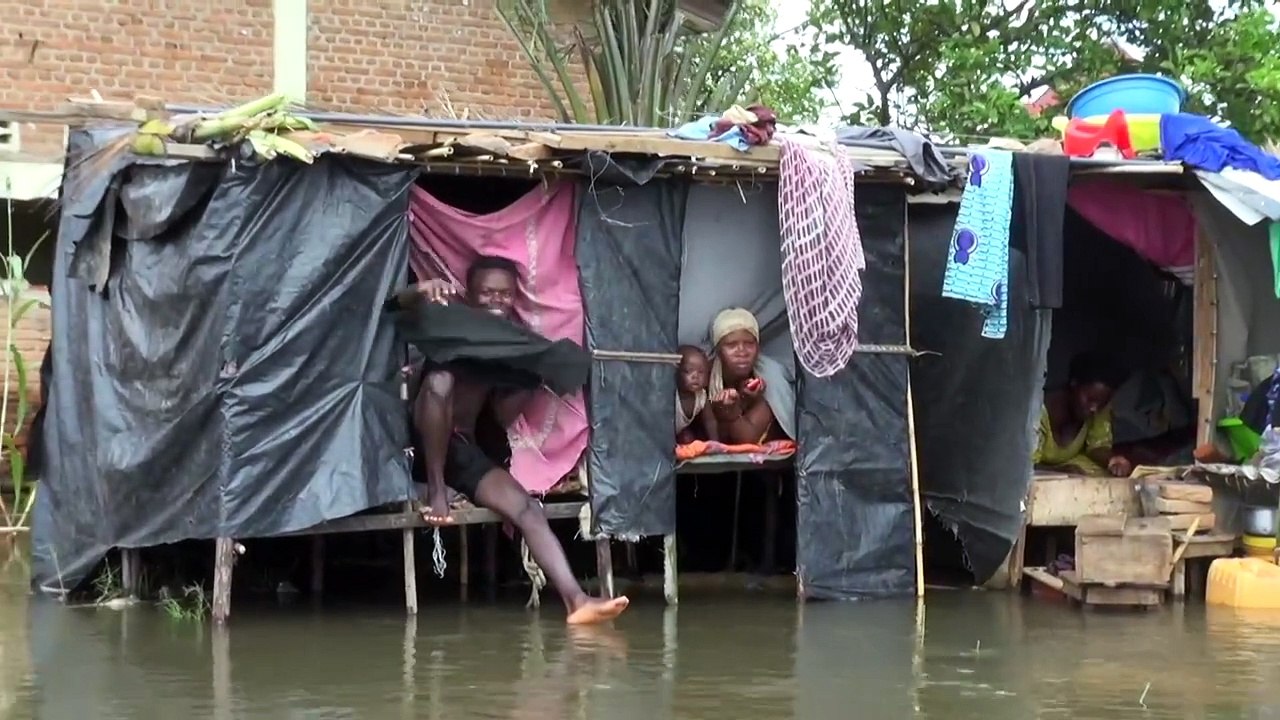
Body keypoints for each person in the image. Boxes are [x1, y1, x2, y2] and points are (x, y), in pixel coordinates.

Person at [398, 255, 629, 625]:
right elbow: (387, 307)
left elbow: (501, 417)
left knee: (526, 509)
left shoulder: (512, 345)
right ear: (469, 295)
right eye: (487, 293)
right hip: (423, 448)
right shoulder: (446, 320)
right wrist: (418, 290)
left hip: (464, 452)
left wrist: (537, 368)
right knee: (440, 382)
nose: (496, 301)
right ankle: (436, 490)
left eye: (505, 294)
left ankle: (576, 600)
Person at [1034, 352, 1132, 477]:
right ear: (1073, 384)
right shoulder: (1037, 413)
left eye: (1102, 403)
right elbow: (1023, 467)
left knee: (1101, 473)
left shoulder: (1098, 409)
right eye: (1090, 399)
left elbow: (1097, 446)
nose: (1094, 408)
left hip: (1072, 467)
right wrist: (1059, 473)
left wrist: (1112, 460)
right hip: (1036, 473)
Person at [704, 308, 786, 445]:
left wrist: (733, 413)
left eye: (749, 344)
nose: (741, 352)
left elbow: (747, 439)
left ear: (758, 348)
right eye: (731, 345)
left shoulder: (771, 378)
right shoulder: (702, 374)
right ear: (718, 350)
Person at [675, 345, 709, 444]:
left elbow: (710, 421)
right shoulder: (671, 394)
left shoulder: (701, 395)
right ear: (676, 372)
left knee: (688, 438)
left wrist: (715, 442)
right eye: (688, 371)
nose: (695, 376)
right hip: (663, 433)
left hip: (680, 432)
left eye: (701, 372)